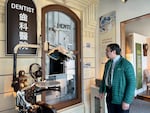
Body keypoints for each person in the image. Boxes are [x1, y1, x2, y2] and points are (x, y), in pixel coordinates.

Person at [99, 43, 136, 113]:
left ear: (114, 52)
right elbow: (104, 78)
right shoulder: (108, 63)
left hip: (121, 97)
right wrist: (102, 90)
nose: (106, 53)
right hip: (109, 95)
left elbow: (132, 83)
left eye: (107, 51)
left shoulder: (126, 64)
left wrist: (127, 101)